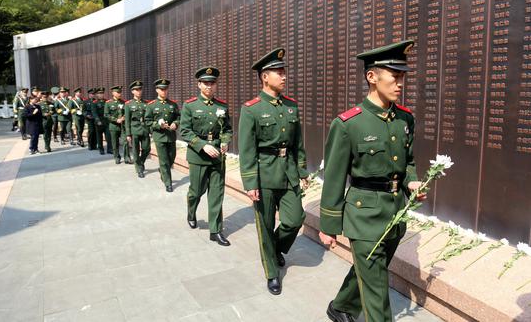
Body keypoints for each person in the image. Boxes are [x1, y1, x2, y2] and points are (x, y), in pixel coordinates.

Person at [318, 40, 425, 322]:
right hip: (363, 215)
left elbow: (409, 161)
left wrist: (410, 183)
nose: (400, 83)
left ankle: (340, 307)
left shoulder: (405, 119)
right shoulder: (348, 124)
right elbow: (334, 178)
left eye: (402, 76)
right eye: (395, 76)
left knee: (368, 270)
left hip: (394, 212)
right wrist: (328, 225)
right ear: (372, 77)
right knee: (377, 291)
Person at [238, 47, 310, 295]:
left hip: (288, 171)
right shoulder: (251, 109)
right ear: (265, 77)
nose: (284, 76)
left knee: (294, 219)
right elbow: (246, 149)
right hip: (264, 173)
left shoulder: (291, 106)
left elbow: (297, 142)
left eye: (283, 72)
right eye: (279, 72)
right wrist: (250, 182)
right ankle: (271, 272)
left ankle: (276, 248)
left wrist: (302, 170)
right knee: (265, 225)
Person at [180, 67, 232, 246]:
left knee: (217, 193)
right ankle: (191, 210)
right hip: (198, 156)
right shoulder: (190, 105)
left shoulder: (222, 106)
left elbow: (227, 129)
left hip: (217, 155)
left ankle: (215, 230)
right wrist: (202, 146)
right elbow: (185, 131)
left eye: (212, 83)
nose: (209, 86)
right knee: (196, 191)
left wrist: (225, 141)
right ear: (199, 84)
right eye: (206, 83)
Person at [144, 78, 180, 188]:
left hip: (171, 136)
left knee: (171, 157)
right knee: (163, 159)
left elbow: (178, 117)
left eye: (165, 89)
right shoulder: (151, 105)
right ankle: (168, 183)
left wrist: (175, 124)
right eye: (161, 89)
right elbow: (147, 121)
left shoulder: (173, 104)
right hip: (159, 136)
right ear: (157, 90)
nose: (164, 91)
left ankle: (162, 170)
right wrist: (158, 125)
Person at [125, 80, 151, 178]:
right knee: (135, 150)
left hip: (145, 129)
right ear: (132, 91)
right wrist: (128, 134)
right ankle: (139, 168)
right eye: (136, 90)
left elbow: (149, 118)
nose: (139, 91)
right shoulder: (128, 104)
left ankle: (140, 161)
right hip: (134, 130)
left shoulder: (147, 103)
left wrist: (150, 130)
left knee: (146, 148)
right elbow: (127, 120)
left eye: (140, 89)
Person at [104, 85, 132, 164]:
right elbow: (106, 115)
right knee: (115, 143)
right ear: (113, 93)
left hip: (123, 126)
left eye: (120, 92)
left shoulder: (124, 102)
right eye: (118, 92)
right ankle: (117, 157)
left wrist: (124, 117)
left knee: (125, 141)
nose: (120, 94)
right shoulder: (108, 103)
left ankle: (127, 157)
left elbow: (127, 113)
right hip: (113, 126)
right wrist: (116, 120)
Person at [92, 87, 113, 155]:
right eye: (99, 93)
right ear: (97, 95)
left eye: (102, 93)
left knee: (108, 136)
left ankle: (109, 149)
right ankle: (101, 149)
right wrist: (98, 120)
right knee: (99, 137)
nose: (101, 95)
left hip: (106, 122)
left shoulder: (107, 102)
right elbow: (94, 113)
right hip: (99, 122)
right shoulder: (94, 103)